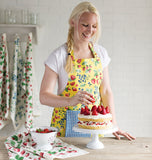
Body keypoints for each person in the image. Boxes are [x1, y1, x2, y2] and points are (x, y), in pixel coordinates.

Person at [40, 1, 135, 140]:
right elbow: (43, 96)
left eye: (94, 26)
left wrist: (114, 125)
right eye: (85, 25)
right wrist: (70, 101)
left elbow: (105, 91)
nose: (90, 30)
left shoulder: (100, 53)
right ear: (73, 22)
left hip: (95, 127)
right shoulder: (59, 55)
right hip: (65, 126)